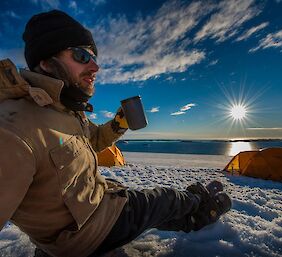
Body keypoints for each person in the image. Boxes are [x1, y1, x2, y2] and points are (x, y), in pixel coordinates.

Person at [0, 10, 231, 257]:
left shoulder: (62, 109)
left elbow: (94, 140)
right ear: (46, 62)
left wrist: (119, 124)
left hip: (93, 207)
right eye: (81, 55)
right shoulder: (13, 128)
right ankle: (203, 208)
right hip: (88, 233)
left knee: (139, 200)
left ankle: (192, 210)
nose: (95, 66)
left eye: (93, 57)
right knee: (163, 198)